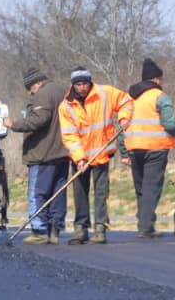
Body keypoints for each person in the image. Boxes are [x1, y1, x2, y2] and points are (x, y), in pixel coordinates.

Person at [57, 69, 133, 245]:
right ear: (73, 85)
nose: (82, 88)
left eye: (85, 83)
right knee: (80, 193)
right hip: (80, 158)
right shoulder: (66, 106)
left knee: (101, 192)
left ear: (90, 82)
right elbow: (69, 135)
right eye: (78, 84)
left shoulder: (105, 93)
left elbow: (126, 101)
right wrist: (80, 159)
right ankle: (80, 229)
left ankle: (100, 228)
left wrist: (123, 118)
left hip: (102, 151)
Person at [6, 67, 70, 245]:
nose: (29, 93)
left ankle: (39, 229)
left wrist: (14, 124)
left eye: (30, 88)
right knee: (58, 192)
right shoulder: (61, 91)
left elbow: (39, 119)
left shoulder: (43, 93)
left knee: (38, 192)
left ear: (37, 83)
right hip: (62, 152)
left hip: (43, 153)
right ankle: (55, 228)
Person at [124, 58, 175, 238]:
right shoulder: (160, 97)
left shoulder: (130, 97)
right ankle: (146, 227)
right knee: (152, 188)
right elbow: (170, 123)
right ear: (157, 80)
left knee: (141, 188)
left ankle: (144, 222)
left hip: (134, 148)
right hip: (155, 149)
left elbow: (122, 125)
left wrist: (123, 149)